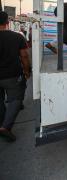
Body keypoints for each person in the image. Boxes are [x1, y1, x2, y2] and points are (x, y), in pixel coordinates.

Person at [0, 11, 31, 142]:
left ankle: (3, 121)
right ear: (8, 22)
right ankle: (5, 127)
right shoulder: (17, 37)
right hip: (12, 75)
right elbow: (24, 56)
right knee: (16, 99)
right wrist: (27, 71)